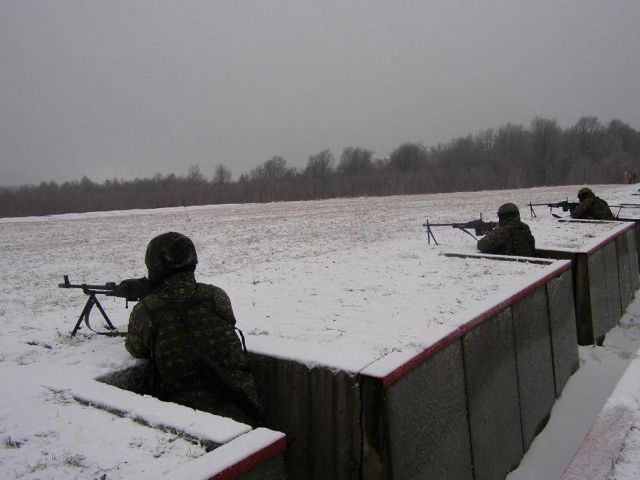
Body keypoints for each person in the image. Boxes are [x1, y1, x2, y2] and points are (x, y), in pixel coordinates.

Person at [125, 232, 261, 424]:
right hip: (244, 408)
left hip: (192, 420)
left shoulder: (146, 310)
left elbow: (137, 349)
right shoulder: (216, 296)